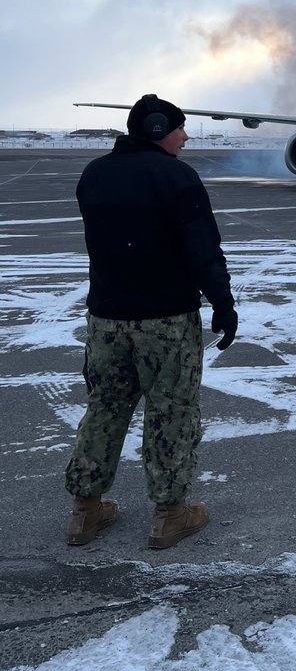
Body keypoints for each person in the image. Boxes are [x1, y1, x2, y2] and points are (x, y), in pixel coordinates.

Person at [64, 94, 238, 550]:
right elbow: (202, 249)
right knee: (171, 414)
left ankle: (85, 511)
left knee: (104, 410)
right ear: (159, 129)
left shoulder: (94, 175)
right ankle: (169, 514)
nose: (184, 136)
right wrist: (223, 302)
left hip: (106, 318)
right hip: (165, 320)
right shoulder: (176, 176)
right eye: (179, 128)